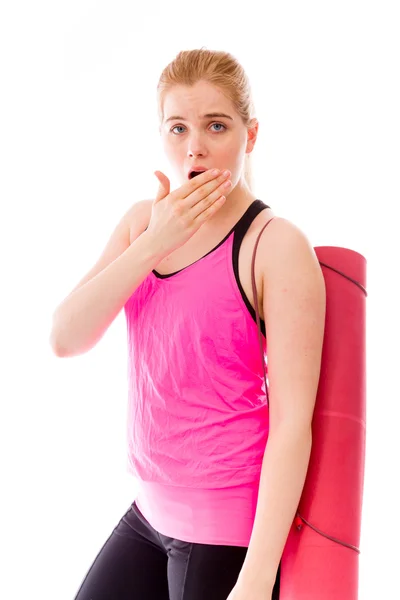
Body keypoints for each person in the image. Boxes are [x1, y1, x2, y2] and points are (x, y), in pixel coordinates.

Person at [50, 48, 326, 600]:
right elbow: (65, 337)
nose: (194, 146)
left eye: (215, 126)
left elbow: (294, 427)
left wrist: (254, 579)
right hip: (147, 514)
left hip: (224, 533)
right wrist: (155, 241)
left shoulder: (275, 245)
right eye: (177, 127)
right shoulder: (140, 225)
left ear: (249, 136)